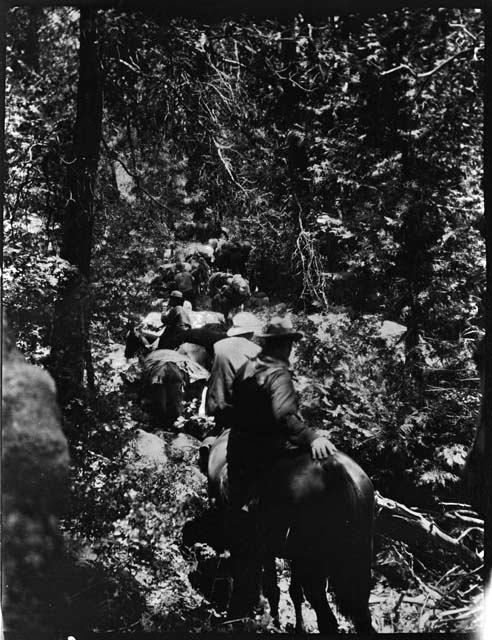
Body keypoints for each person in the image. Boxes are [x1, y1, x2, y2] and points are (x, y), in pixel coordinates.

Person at [205, 312, 262, 432]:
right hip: (238, 408)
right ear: (251, 333)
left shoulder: (218, 345)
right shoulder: (255, 351)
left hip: (215, 404)